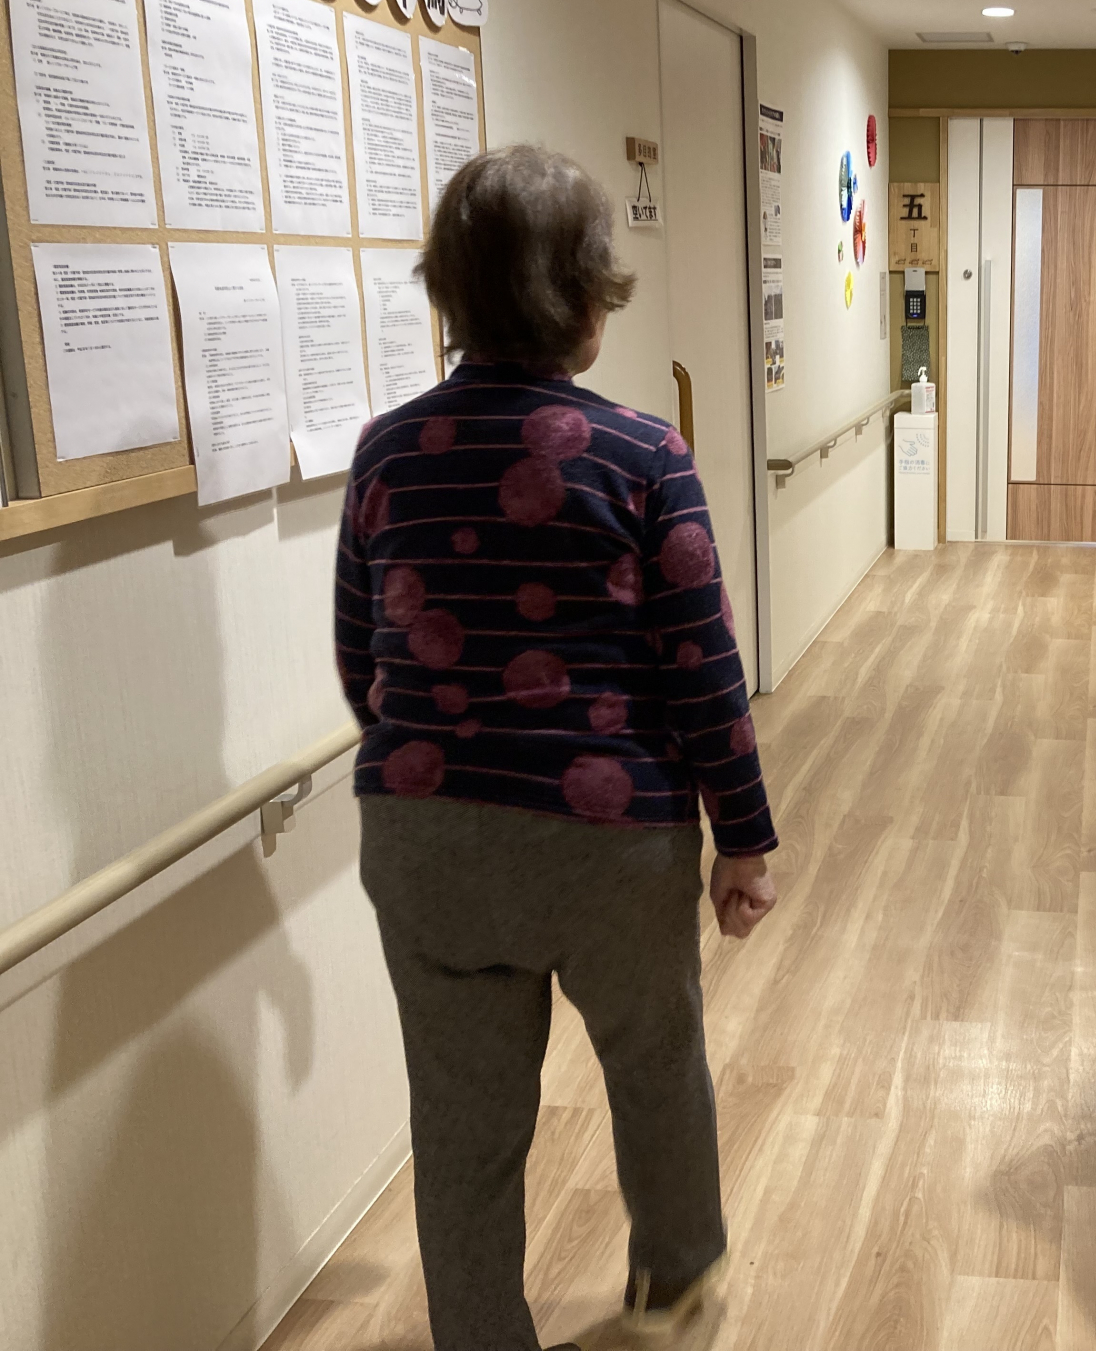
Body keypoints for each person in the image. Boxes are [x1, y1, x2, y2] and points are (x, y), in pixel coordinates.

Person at [334, 144, 777, 1349]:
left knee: (461, 1122)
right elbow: (703, 668)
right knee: (654, 1065)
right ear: (585, 298)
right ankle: (675, 1290)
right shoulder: (644, 455)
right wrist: (743, 838)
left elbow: (361, 659)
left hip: (424, 835)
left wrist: (441, 764)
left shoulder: (386, 451)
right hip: (606, 838)